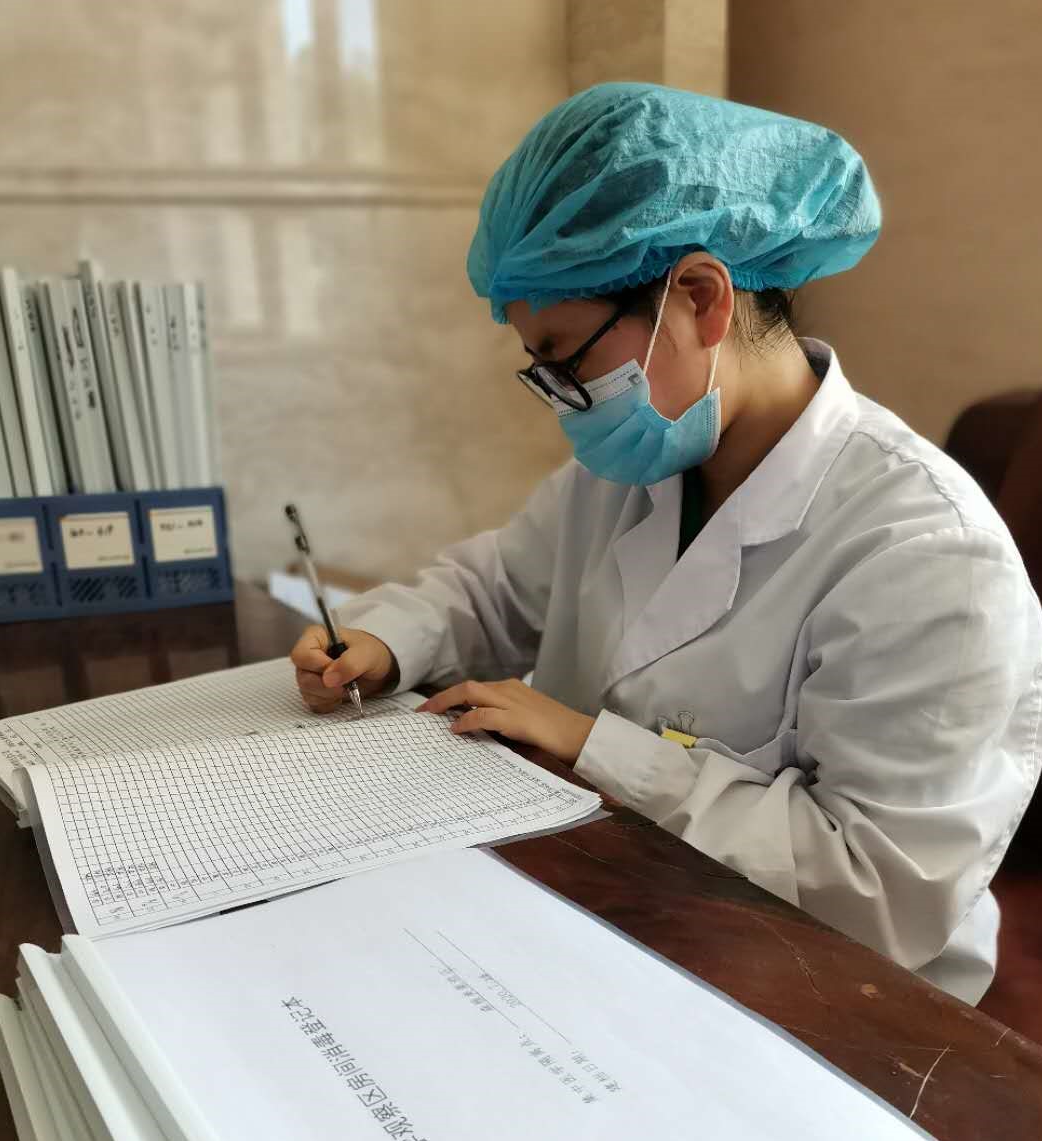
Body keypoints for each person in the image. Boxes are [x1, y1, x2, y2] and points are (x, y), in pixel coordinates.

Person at [291, 83, 1041, 1004]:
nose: (563, 399)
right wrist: (386, 639)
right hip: (617, 912)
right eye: (540, 368)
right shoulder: (634, 468)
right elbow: (493, 590)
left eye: (567, 358)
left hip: (834, 999)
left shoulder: (929, 553)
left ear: (699, 297)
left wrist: (593, 746)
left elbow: (874, 887)